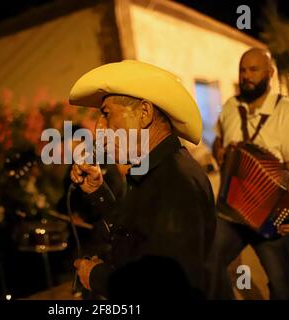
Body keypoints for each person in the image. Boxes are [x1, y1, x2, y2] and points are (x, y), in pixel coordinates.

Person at [68, 60, 217, 298]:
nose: (99, 128)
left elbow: (165, 289)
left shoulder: (175, 183)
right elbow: (133, 237)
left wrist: (97, 276)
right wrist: (98, 192)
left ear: (144, 113)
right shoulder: (155, 170)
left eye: (107, 114)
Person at [209, 48, 289, 300]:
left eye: (254, 69)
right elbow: (218, 141)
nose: (246, 76)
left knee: (281, 283)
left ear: (270, 73)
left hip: (271, 213)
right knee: (208, 261)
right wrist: (219, 150)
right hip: (231, 211)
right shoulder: (230, 106)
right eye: (242, 70)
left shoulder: (288, 112)